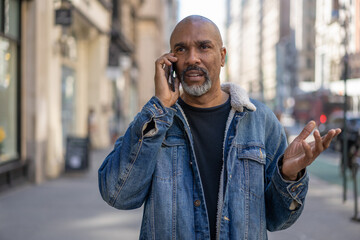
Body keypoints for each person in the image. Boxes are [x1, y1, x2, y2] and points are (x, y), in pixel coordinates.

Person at [98, 15, 341, 239]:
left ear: (222, 56)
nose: (192, 58)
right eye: (181, 49)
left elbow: (278, 220)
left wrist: (288, 177)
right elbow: (118, 195)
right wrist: (160, 106)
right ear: (170, 61)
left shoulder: (261, 121)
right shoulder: (154, 121)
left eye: (204, 47)